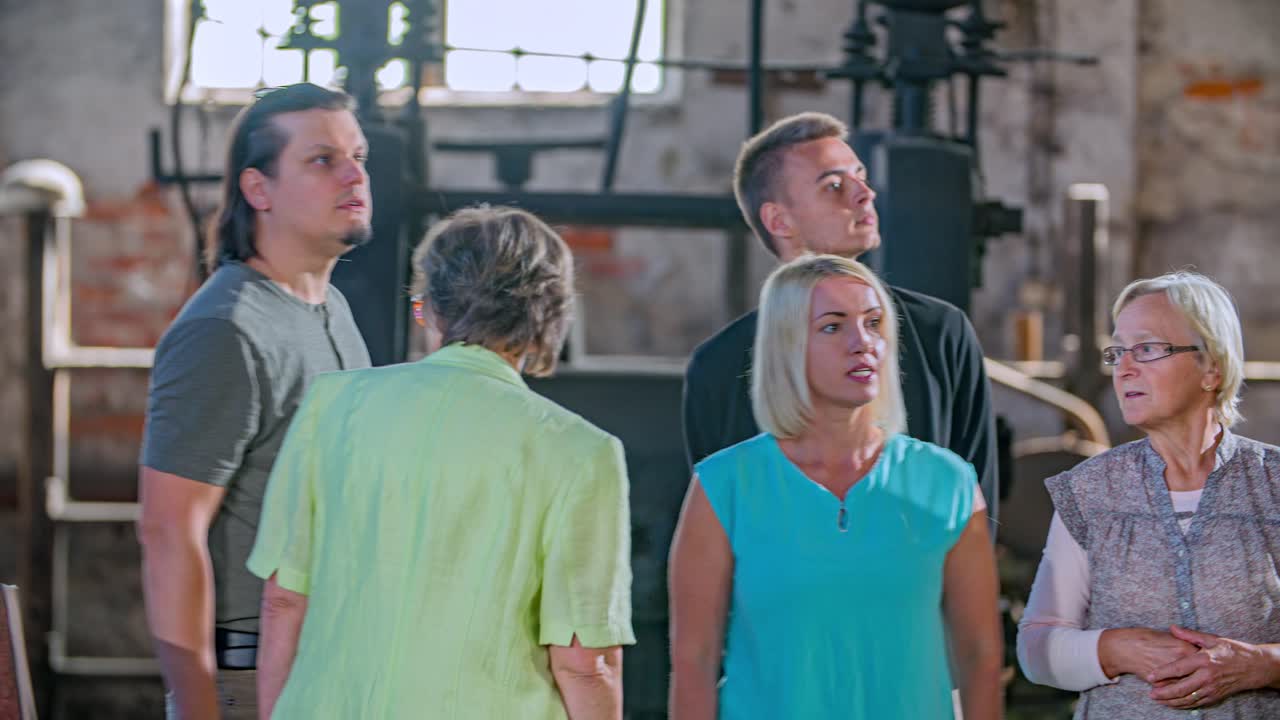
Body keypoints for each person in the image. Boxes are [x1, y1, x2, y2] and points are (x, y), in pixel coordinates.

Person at [248, 206, 635, 719]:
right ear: (549, 316)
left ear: (427, 307)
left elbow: (283, 602)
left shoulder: (331, 405)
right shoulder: (582, 452)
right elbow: (586, 663)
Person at [669, 254, 1003, 719]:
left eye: (873, 323)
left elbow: (980, 657)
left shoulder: (949, 483)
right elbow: (694, 661)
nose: (862, 342)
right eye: (833, 326)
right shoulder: (724, 485)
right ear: (787, 346)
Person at [137, 83, 373, 720]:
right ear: (258, 189)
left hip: (328, 667)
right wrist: (198, 705)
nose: (354, 174)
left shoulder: (332, 310)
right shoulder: (226, 330)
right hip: (252, 677)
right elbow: (167, 531)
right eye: (323, 160)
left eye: (359, 156)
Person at [683, 111, 998, 519]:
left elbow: (976, 507)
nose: (865, 194)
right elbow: (716, 529)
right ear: (779, 220)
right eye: (834, 185)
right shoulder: (719, 366)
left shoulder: (941, 334)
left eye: (861, 176)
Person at [1017, 271, 1280, 716]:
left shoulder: (1272, 484)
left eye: (1147, 348)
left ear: (1212, 367)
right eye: (1117, 351)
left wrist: (1260, 665)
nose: (1124, 367)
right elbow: (1035, 649)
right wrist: (1114, 648)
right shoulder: (1089, 491)